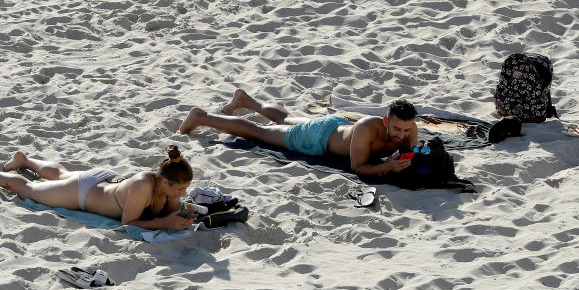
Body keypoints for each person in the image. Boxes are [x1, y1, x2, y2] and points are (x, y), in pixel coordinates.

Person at [179, 89, 420, 176]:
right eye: (397, 128)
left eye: (406, 129)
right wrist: (387, 166)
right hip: (316, 139)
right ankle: (200, 117)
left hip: (332, 125)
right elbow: (358, 167)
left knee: (284, 118)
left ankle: (245, 100)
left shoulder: (410, 129)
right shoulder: (368, 128)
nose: (402, 134)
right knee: (259, 132)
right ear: (386, 121)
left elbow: (410, 155)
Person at [0, 145, 196, 230]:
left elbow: (168, 213)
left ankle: (25, 160)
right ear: (165, 181)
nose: (183, 193)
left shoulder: (165, 185)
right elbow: (128, 223)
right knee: (29, 190)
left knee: (61, 174)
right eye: (180, 188)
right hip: (82, 194)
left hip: (101, 181)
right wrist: (166, 222)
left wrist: (179, 215)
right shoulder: (144, 185)